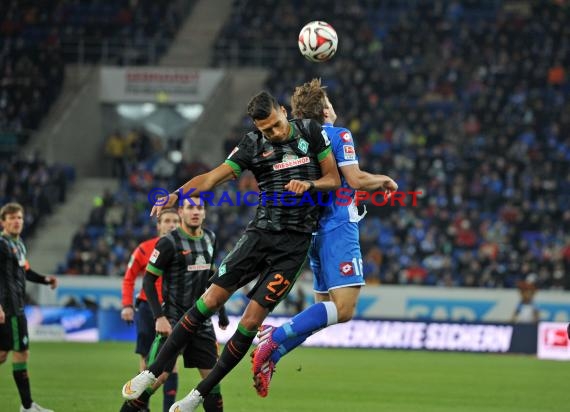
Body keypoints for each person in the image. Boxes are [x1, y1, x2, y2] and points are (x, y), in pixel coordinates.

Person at [121, 90, 341, 411]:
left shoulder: (310, 131)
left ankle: (198, 395)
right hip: (260, 236)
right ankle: (151, 373)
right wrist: (175, 195)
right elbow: (211, 179)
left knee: (251, 321)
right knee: (210, 300)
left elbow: (333, 178)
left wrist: (310, 185)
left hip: (293, 247)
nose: (274, 134)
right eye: (266, 130)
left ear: (283, 111)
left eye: (277, 126)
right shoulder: (253, 143)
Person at [251, 78, 398, 396]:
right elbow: (355, 179)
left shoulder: (295, 140)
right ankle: (274, 336)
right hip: (337, 227)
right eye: (330, 105)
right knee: (343, 310)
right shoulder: (337, 133)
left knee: (321, 311)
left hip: (311, 232)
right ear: (324, 110)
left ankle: (272, 355)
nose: (334, 109)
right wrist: (384, 180)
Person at [121, 199, 229, 412]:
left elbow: (212, 277)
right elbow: (148, 281)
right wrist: (159, 317)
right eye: (190, 207)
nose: (195, 212)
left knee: (212, 384)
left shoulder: (210, 238)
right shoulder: (168, 242)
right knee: (154, 380)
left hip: (202, 322)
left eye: (200, 208)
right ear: (182, 212)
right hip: (173, 320)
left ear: (205, 213)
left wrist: (221, 312)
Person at [121, 208, 181, 412]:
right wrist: (127, 305)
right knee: (147, 358)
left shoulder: (185, 250)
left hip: (173, 309)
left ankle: (166, 408)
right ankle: (142, 407)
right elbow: (129, 277)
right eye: (167, 220)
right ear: (159, 225)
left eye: (175, 220)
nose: (171, 224)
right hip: (147, 307)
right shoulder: (144, 248)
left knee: (171, 363)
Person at [0, 202, 58, 412]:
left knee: (3, 354)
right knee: (21, 352)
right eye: (12, 218)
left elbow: (25, 271)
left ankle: (27, 406)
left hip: (16, 306)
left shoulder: (19, 244)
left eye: (20, 218)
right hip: (9, 307)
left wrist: (45, 279)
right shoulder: (2, 244)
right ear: (3, 222)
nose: (17, 221)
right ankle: (27, 407)